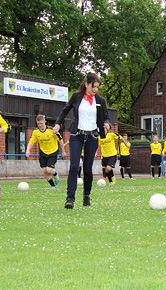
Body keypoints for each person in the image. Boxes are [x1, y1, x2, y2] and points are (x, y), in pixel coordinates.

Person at [52, 72, 111, 209]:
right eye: (93, 87)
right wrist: (57, 124)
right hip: (77, 135)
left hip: (92, 136)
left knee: (88, 169)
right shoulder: (77, 97)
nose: (95, 90)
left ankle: (86, 195)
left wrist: (107, 124)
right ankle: (70, 199)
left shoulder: (100, 101)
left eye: (97, 87)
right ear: (86, 84)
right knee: (74, 167)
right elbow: (64, 111)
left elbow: (106, 117)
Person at [25, 115, 65, 189]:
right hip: (43, 153)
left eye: (41, 123)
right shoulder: (36, 132)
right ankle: (53, 187)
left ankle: (55, 174)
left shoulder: (51, 130)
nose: (40, 125)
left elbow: (60, 139)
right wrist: (28, 150)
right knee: (45, 171)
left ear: (45, 122)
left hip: (53, 151)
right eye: (38, 124)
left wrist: (63, 151)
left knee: (49, 169)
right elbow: (31, 142)